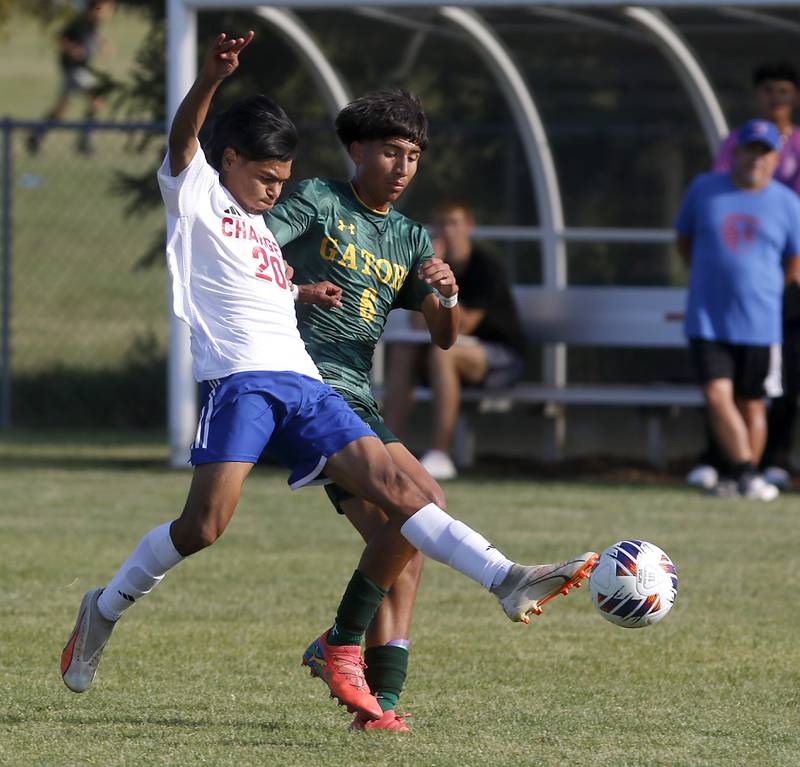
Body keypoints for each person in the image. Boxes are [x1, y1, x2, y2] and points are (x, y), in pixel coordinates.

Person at [59, 32, 599, 725]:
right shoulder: (194, 194)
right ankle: (103, 608)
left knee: (406, 492)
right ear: (228, 162)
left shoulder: (260, 225)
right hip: (241, 382)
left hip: (307, 384)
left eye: (283, 182)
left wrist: (301, 291)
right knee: (204, 525)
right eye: (265, 180)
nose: (275, 193)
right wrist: (212, 78)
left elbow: (267, 277)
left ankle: (507, 577)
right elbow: (183, 135)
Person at [265, 91, 463, 731]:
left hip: (357, 395)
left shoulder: (408, 236)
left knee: (410, 537)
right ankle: (339, 641)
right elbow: (251, 251)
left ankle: (380, 706)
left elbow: (442, 336)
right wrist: (297, 289)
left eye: (413, 156)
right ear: (357, 150)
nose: (403, 167)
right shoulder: (320, 201)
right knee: (421, 507)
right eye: (389, 152)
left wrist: (446, 295)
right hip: (306, 384)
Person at [689, 62, 800, 492]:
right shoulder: (715, 178)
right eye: (769, 90)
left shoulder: (785, 200)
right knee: (720, 390)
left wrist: (783, 283)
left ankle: (768, 462)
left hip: (771, 292)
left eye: (784, 91)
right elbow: (689, 236)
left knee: (768, 388)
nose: (776, 98)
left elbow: (794, 250)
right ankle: (732, 466)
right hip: (720, 303)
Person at [382, 201, 525, 480]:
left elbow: (464, 325)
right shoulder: (429, 265)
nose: (446, 230)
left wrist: (443, 290)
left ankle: (440, 453)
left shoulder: (485, 266)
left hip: (500, 357)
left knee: (442, 352)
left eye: (453, 223)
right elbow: (417, 321)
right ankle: (387, 449)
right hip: (449, 355)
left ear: (468, 226)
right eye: (440, 223)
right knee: (404, 350)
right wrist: (431, 272)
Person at [26, 0, 116, 156]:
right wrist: (73, 49)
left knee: (63, 108)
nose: (110, 12)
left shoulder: (91, 22)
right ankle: (83, 142)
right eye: (109, 8)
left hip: (78, 70)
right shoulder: (81, 21)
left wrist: (102, 42)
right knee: (96, 99)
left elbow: (92, 33)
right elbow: (59, 37)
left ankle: (36, 137)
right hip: (73, 69)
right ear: (98, 7)